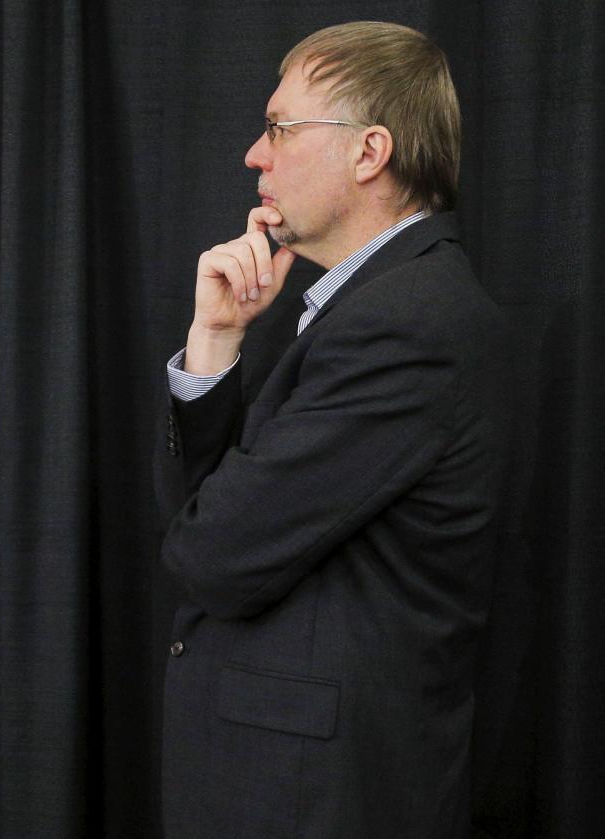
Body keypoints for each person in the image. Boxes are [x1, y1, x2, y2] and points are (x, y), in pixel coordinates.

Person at [153, 21, 511, 838]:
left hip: (316, 800)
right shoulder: (378, 312)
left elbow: (210, 556)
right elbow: (200, 527)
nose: (255, 154)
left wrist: (203, 535)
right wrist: (214, 343)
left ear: (369, 151)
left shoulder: (408, 324)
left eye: (279, 128)